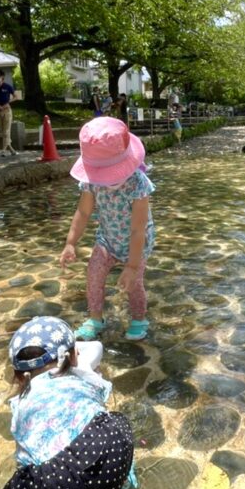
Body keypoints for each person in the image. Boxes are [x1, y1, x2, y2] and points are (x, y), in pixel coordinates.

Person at [0, 316, 135, 489]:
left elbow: (26, 461)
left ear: (18, 377)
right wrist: (71, 352)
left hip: (66, 482)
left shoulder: (22, 401)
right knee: (112, 419)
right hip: (115, 442)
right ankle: (122, 486)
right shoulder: (81, 372)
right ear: (73, 357)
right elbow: (95, 347)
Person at [60, 117, 155, 342]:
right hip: (107, 238)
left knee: (134, 282)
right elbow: (83, 213)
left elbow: (137, 230)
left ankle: (139, 318)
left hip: (137, 241)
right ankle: (95, 318)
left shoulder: (137, 184)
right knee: (93, 273)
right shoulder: (92, 181)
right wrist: (70, 242)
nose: (106, 180)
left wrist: (131, 266)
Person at [0, 69, 18, 157]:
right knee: (2, 132)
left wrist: (7, 103)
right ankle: (11, 149)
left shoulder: (7, 86)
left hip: (7, 111)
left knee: (6, 131)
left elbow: (16, 97)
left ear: (2, 77)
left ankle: (3, 150)